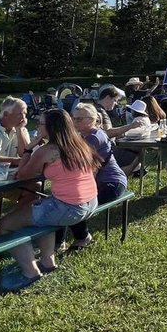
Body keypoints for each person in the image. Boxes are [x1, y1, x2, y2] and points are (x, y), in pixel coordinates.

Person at [0, 109, 98, 292]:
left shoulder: (48, 150)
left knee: (6, 224)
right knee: (41, 210)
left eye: (41, 124)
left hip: (68, 208)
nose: (38, 126)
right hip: (89, 203)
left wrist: (29, 148)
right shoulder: (79, 144)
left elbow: (23, 174)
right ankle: (47, 261)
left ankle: (30, 272)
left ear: (51, 128)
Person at [61, 103, 127, 250]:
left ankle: (81, 238)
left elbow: (83, 168)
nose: (75, 122)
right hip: (102, 182)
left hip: (112, 184)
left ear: (92, 120)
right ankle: (63, 240)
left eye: (79, 119)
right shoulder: (86, 135)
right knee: (67, 200)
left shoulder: (93, 138)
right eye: (74, 118)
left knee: (73, 204)